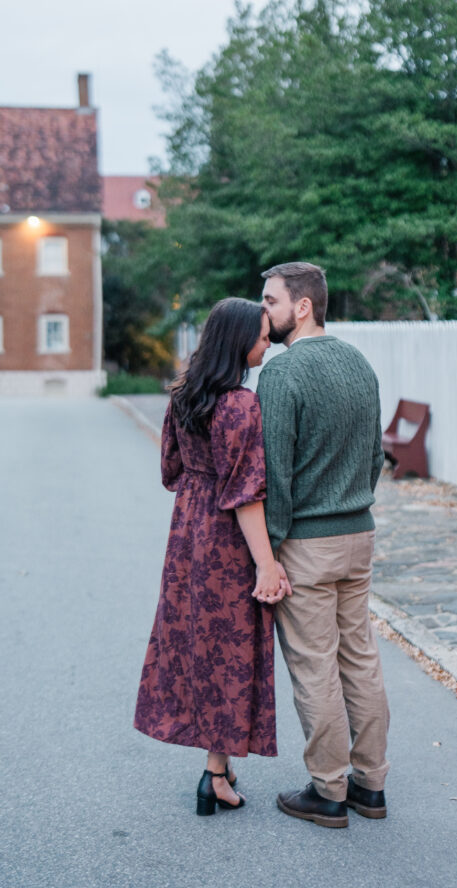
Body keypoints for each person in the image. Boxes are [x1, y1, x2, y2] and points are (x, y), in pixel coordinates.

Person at [134, 297, 291, 816]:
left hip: (187, 533)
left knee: (199, 646)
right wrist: (267, 563)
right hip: (228, 540)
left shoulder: (183, 396)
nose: (268, 346)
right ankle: (215, 772)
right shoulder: (241, 404)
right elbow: (246, 493)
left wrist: (199, 490)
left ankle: (216, 772)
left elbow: (170, 471)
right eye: (263, 337)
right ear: (238, 340)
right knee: (231, 653)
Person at [257, 261, 389, 828]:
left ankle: (329, 790)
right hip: (359, 534)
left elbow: (275, 476)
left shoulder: (283, 375)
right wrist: (356, 501)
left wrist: (270, 549)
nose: (263, 313)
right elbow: (376, 452)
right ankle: (371, 785)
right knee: (359, 659)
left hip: (308, 543)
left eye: (269, 302)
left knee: (315, 668)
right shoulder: (359, 363)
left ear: (302, 306)